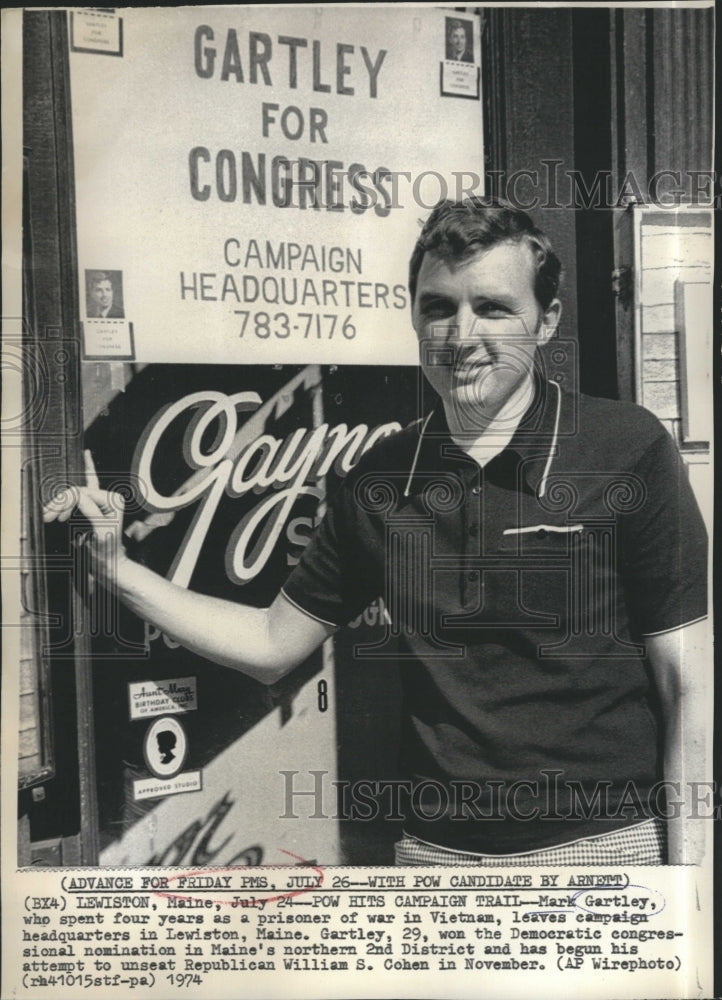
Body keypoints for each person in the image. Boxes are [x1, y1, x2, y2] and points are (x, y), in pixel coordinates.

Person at [46, 198, 708, 866]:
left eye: (494, 308)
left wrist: (694, 883)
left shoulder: (625, 448)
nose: (461, 334)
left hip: (603, 849)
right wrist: (113, 569)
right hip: (436, 858)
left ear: (546, 320)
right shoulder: (379, 480)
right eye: (438, 307)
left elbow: (690, 686)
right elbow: (272, 643)